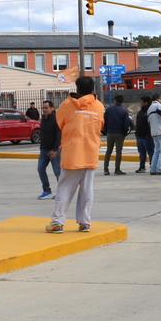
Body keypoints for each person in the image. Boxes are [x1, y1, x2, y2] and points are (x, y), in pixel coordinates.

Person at [46, 76, 105, 233]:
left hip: (72, 152)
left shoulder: (66, 105)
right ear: (93, 89)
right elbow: (101, 124)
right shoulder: (99, 106)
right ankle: (85, 222)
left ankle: (58, 222)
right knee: (87, 189)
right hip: (91, 152)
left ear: (77, 88)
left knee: (65, 188)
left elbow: (60, 124)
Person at [36, 99, 61, 199]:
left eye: (46, 108)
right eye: (43, 108)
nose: (44, 109)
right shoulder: (43, 119)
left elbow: (58, 136)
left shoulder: (56, 119)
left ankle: (61, 191)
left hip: (53, 150)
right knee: (40, 169)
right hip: (44, 150)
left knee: (57, 171)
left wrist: (55, 149)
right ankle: (46, 190)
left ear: (52, 108)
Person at [102, 94, 130, 175]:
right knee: (118, 152)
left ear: (115, 100)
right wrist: (125, 133)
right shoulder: (124, 111)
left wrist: (106, 130)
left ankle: (106, 169)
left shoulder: (109, 110)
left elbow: (105, 120)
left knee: (108, 151)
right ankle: (117, 169)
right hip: (120, 133)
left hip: (110, 133)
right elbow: (126, 123)